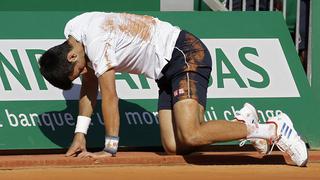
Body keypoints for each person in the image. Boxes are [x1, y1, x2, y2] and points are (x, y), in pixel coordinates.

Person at [39, 12, 308, 166]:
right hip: (164, 72)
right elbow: (89, 85)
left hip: (184, 53)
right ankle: (243, 124)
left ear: (72, 57)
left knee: (191, 134)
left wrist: (109, 148)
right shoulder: (73, 31)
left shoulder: (95, 43)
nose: (85, 74)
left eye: (79, 71)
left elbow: (110, 97)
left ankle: (274, 129)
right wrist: (80, 134)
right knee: (173, 145)